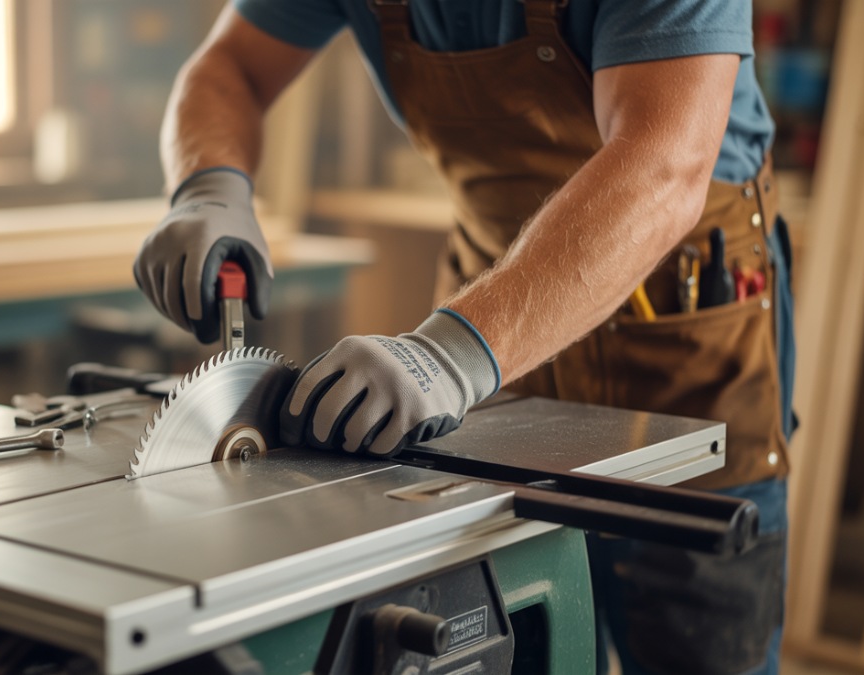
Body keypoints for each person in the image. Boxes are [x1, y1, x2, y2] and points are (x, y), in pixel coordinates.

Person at [133, 1, 796, 673]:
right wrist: (209, 184)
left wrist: (452, 354)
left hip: (671, 345)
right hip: (489, 342)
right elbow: (232, 65)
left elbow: (664, 168)